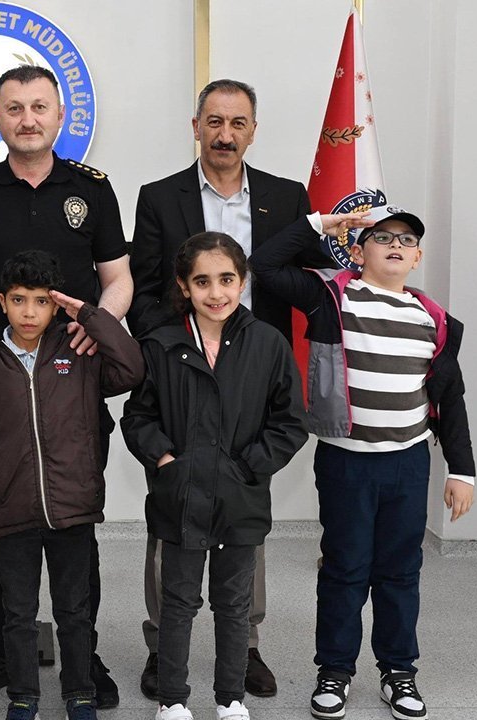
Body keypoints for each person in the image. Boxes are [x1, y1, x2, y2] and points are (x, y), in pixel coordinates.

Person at [0, 63, 132, 710]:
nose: (27, 119)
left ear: (60, 114)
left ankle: (84, 657)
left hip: (72, 384)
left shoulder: (91, 190)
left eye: (39, 107)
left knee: (74, 528)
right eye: (14, 108)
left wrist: (99, 329)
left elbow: (119, 278)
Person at [127, 79, 326, 700]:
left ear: (253, 131)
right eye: (214, 121)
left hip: (253, 376)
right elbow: (146, 288)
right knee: (173, 514)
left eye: (238, 123)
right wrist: (170, 351)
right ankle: (164, 647)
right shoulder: (159, 197)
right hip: (183, 369)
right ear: (196, 127)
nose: (225, 134)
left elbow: (302, 281)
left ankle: (246, 647)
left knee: (244, 511)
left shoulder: (286, 198)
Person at [249, 207, 476, 720]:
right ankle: (334, 670)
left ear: (417, 257)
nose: (395, 245)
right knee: (344, 569)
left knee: (400, 572)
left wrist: (461, 470)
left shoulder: (433, 320)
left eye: (406, 240)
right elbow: (264, 264)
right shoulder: (332, 297)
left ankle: (398, 671)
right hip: (347, 464)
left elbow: (450, 399)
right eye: (382, 237)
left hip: (407, 464)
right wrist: (318, 225)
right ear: (358, 251)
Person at [122, 233, 308, 720]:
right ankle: (172, 700)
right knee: (178, 602)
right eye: (202, 281)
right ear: (184, 286)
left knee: (234, 603)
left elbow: (291, 422)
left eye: (226, 279)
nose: (216, 292)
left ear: (242, 281)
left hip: (241, 501)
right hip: (180, 498)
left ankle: (230, 698)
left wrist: (248, 467)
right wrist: (166, 461)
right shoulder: (160, 344)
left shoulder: (268, 343)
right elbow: (138, 417)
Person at [0, 251, 144, 720]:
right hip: (9, 508)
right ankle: (23, 696)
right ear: (2, 301)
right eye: (19, 300)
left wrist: (90, 316)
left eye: (41, 301)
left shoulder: (78, 351)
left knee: (74, 610)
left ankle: (79, 692)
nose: (29, 312)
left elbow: (132, 368)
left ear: (56, 305)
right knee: (18, 614)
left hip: (71, 507)